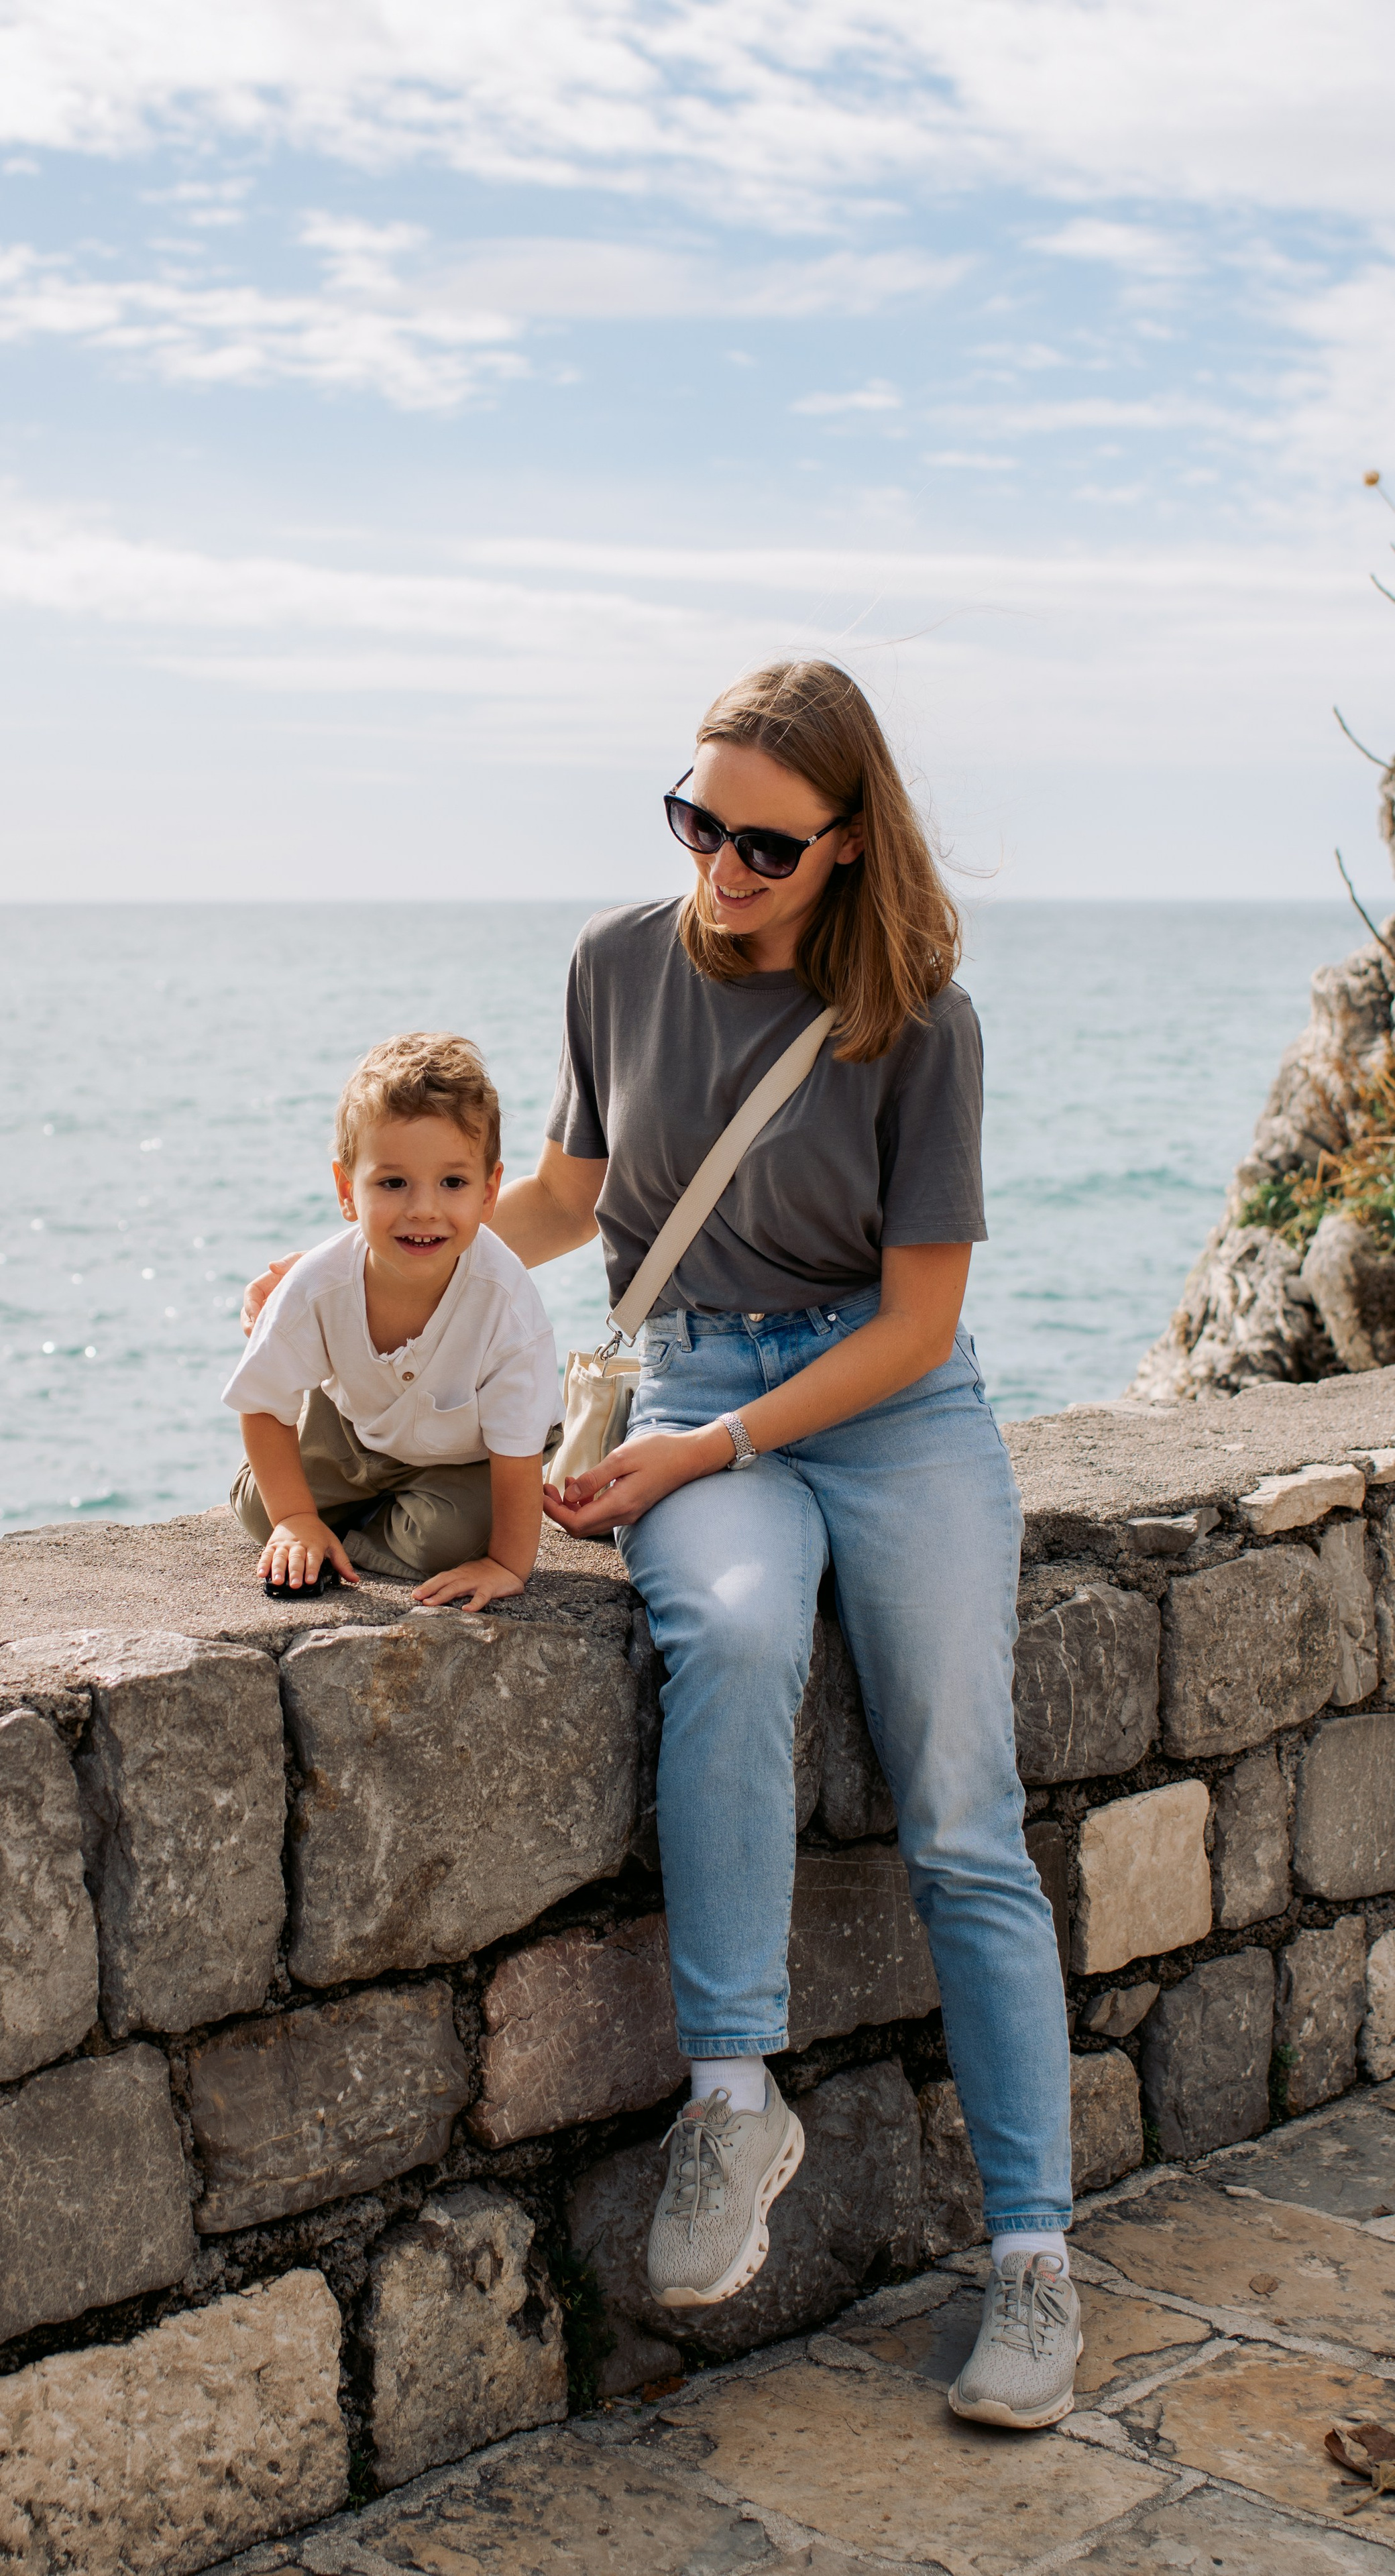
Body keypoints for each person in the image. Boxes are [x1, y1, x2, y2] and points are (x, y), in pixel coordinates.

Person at [241, 663, 1080, 2430]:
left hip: (887, 1416)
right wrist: (387, 1271)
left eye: (764, 840)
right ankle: (731, 2098)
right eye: (693, 819)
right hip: (692, 1380)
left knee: (960, 1817)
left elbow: (920, 1326)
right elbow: (567, 1196)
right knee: (740, 1638)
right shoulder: (615, 963)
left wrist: (715, 1442)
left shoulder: (923, 1023)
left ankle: (1031, 2263)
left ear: (848, 844)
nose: (721, 861)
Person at [224, 1031, 559, 1614]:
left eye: (453, 1182)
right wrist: (297, 1519)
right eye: (393, 1182)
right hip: (358, 1425)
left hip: (474, 1454)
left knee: (447, 1542)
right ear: (346, 1190)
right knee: (263, 1509)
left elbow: (516, 1452)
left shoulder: (504, 1304)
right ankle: (329, 1525)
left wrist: (506, 1564)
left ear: (490, 1191)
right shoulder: (319, 1283)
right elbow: (263, 1400)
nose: (423, 1208)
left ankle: (355, 1534)